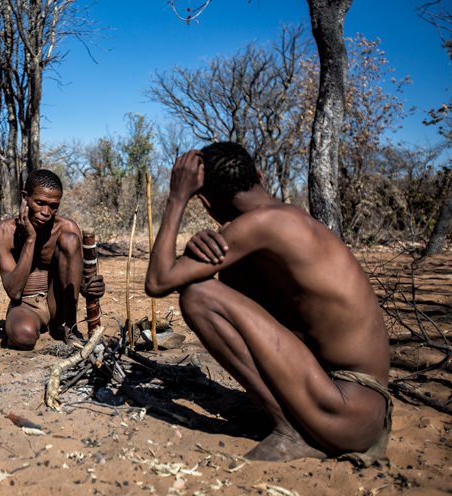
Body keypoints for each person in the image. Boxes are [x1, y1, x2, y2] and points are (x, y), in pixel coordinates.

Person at [145, 142, 391, 464]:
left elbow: (158, 282)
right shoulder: (286, 218)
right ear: (259, 176)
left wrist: (177, 199)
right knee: (217, 279)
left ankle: (292, 430)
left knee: (197, 295)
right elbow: (240, 294)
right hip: (361, 411)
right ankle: (299, 422)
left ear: (204, 201)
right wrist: (197, 249)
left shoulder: (263, 224)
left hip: (345, 410)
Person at [0, 169, 105, 350]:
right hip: (26, 305)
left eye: (53, 206)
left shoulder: (66, 228)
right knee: (23, 337)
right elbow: (14, 292)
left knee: (70, 239)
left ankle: (71, 327)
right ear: (25, 197)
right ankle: (25, 327)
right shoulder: (5, 231)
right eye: (40, 203)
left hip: (59, 305)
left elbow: (79, 283)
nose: (46, 212)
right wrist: (31, 239)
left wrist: (92, 286)